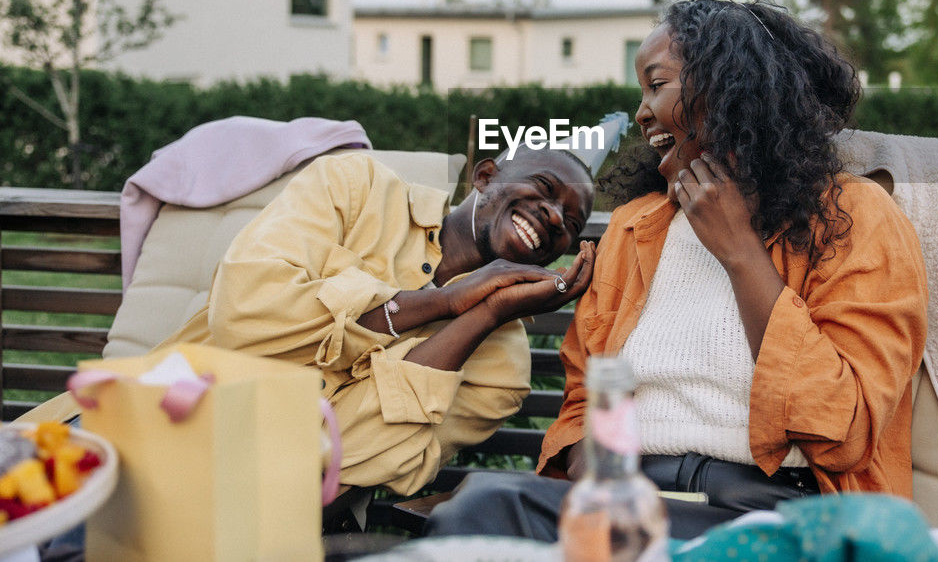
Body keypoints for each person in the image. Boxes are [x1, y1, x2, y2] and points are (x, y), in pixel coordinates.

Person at [423, 0, 928, 540]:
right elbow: (583, 400)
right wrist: (599, 478)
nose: (640, 112)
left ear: (727, 89)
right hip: (628, 500)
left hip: (766, 511)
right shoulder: (637, 230)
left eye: (656, 85)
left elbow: (843, 428)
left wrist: (740, 249)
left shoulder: (854, 217)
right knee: (480, 508)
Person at [27, 146, 597, 496]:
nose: (552, 217)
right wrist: (440, 302)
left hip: (255, 504)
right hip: (138, 425)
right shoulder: (354, 189)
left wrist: (481, 315)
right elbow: (243, 312)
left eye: (571, 225)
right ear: (485, 177)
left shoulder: (501, 369)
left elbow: (355, 456)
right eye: (545, 191)